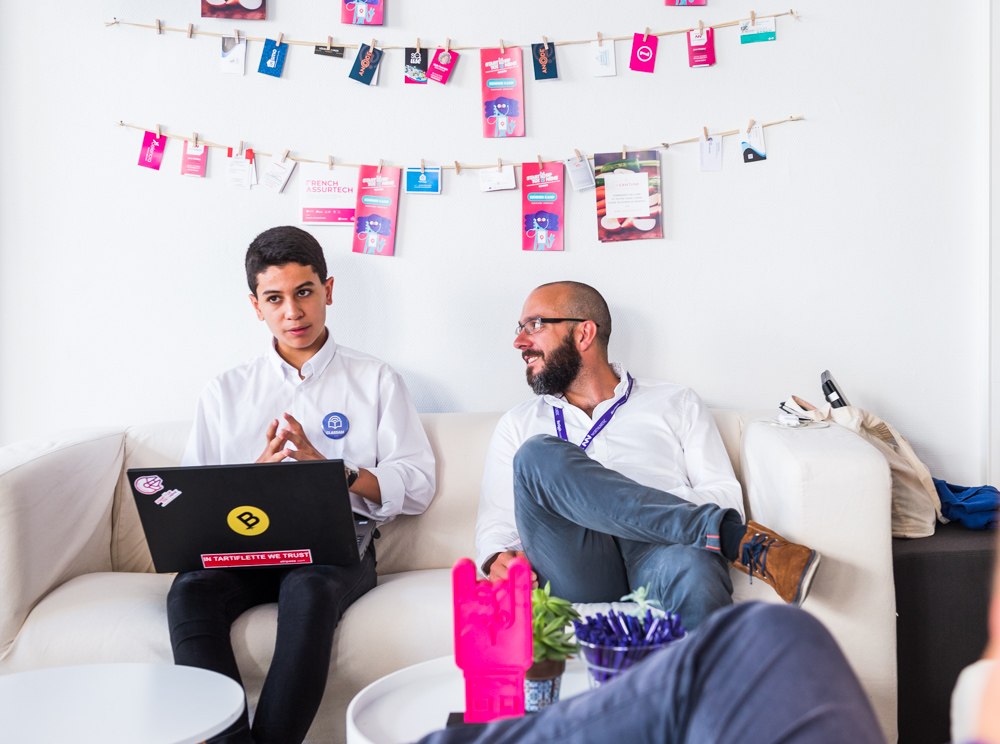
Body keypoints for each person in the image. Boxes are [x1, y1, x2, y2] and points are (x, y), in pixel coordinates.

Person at [167, 226, 436, 744]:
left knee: (307, 587)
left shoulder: (376, 379)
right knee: (190, 590)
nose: (293, 312)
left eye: (304, 292)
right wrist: (252, 479)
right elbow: (192, 498)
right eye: (275, 298)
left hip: (336, 545)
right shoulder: (225, 390)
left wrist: (337, 472)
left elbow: (418, 482)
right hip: (245, 546)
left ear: (328, 291)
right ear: (256, 306)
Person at [476, 281, 820, 629]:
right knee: (536, 453)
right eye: (520, 328)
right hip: (574, 558)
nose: (520, 341)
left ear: (584, 334)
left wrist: (633, 511)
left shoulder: (677, 402)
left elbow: (725, 496)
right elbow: (496, 524)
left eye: (534, 325)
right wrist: (495, 557)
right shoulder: (519, 423)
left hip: (662, 551)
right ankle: (732, 537)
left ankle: (702, 666)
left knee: (697, 570)